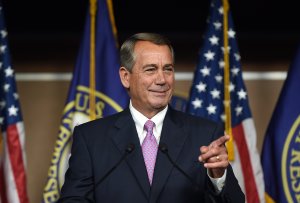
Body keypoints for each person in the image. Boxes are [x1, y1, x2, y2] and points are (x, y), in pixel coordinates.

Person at [58, 33, 245, 202]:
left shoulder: (205, 134)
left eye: (168, 69)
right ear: (125, 77)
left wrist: (218, 177)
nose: (162, 79)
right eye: (150, 69)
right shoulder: (91, 138)